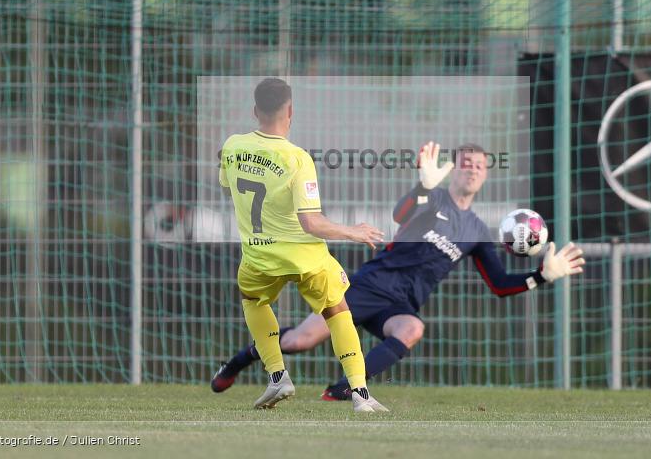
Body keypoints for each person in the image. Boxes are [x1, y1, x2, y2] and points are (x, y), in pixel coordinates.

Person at [213, 140, 586, 400]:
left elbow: (500, 285)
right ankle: (238, 361)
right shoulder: (433, 197)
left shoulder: (476, 231)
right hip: (371, 285)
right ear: (453, 170)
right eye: (466, 163)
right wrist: (422, 186)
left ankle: (341, 390)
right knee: (299, 341)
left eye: (479, 166)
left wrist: (542, 275)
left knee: (412, 328)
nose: (472, 170)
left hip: (401, 303)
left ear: (486, 175)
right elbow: (400, 214)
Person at [216, 77, 388, 412]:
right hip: (304, 255)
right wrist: (352, 231)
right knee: (337, 310)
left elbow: (228, 186)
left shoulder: (233, 145)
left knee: (252, 300)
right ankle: (360, 393)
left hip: (259, 255)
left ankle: (277, 375)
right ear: (290, 111)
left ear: (255, 111)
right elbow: (311, 223)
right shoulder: (297, 158)